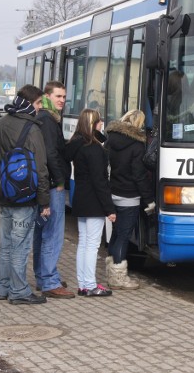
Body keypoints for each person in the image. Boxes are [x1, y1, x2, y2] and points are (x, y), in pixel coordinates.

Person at [0, 85, 50, 305]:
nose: (39, 109)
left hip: (4, 195)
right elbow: (41, 168)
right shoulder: (32, 128)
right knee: (21, 245)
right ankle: (19, 291)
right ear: (28, 103)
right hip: (24, 197)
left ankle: (2, 286)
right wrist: (44, 200)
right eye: (38, 104)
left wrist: (1, 191)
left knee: (5, 243)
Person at [65, 108, 116, 297]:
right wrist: (109, 208)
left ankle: (83, 284)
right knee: (92, 245)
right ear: (93, 124)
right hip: (94, 202)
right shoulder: (94, 149)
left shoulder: (77, 145)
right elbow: (100, 181)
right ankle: (90, 285)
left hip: (81, 199)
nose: (102, 123)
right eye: (99, 121)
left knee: (84, 243)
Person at [32, 81, 75, 299]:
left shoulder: (44, 118)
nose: (62, 100)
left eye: (64, 97)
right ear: (47, 96)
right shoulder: (48, 121)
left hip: (43, 184)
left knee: (42, 232)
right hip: (52, 185)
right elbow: (50, 154)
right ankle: (49, 280)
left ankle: (42, 276)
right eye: (58, 96)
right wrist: (60, 181)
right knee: (53, 234)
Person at [104, 109, 155, 290]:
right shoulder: (136, 145)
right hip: (129, 197)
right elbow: (139, 176)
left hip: (112, 193)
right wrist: (150, 200)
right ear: (139, 124)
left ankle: (111, 273)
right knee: (123, 237)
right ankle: (119, 278)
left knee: (115, 234)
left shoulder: (111, 139)